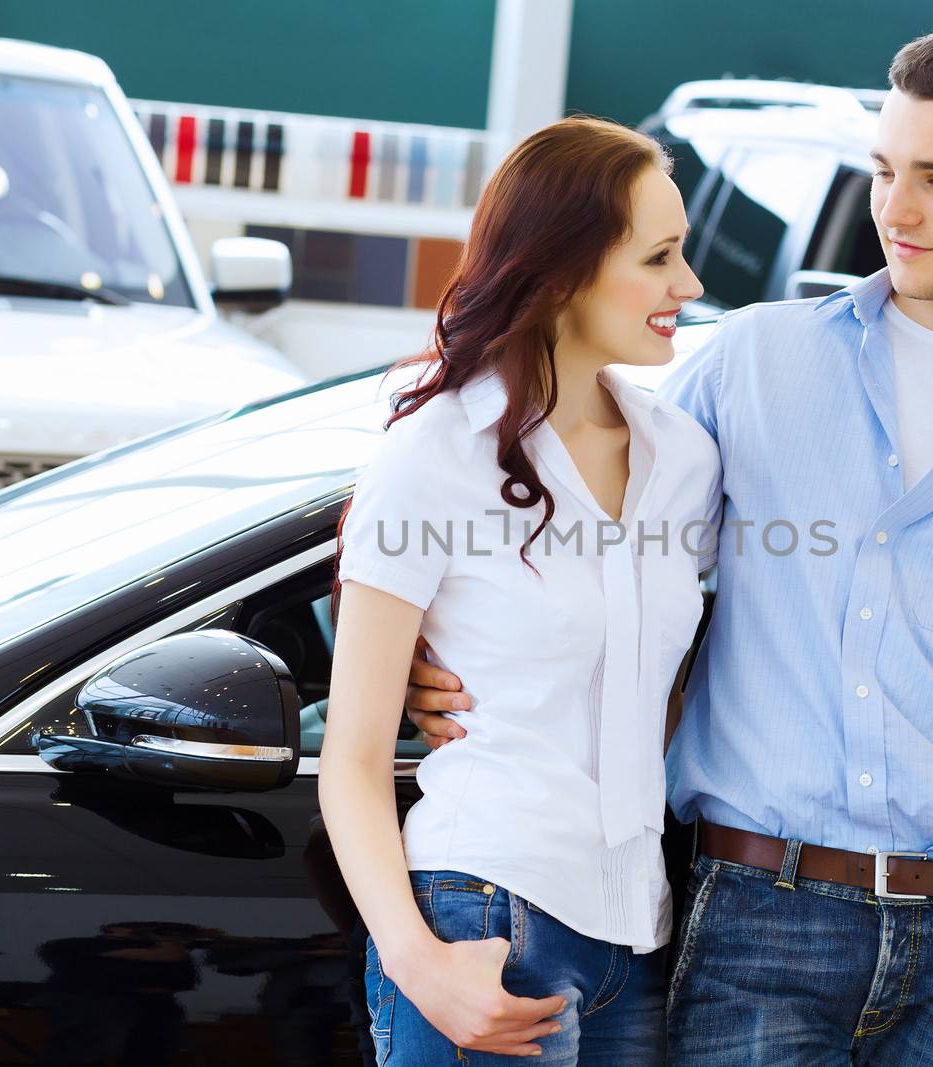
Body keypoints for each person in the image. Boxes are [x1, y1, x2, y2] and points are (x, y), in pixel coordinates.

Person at [403, 21, 933, 1067]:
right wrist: (426, 645)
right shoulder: (753, 362)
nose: (894, 212)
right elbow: (570, 522)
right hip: (757, 919)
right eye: (883, 169)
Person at [318, 115, 718, 1065]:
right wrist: (417, 961)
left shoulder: (685, 458)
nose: (689, 287)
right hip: (484, 917)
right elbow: (352, 760)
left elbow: (658, 687)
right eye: (659, 258)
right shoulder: (436, 452)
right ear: (565, 268)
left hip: (638, 930)